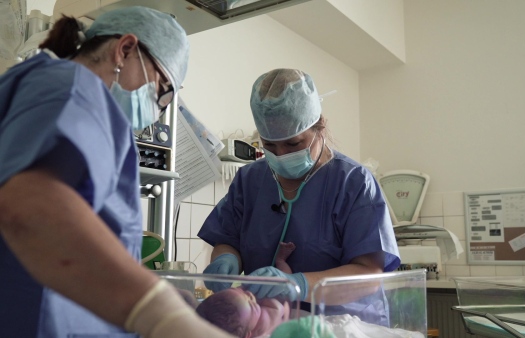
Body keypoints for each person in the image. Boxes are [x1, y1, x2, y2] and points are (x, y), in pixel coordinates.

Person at [0, 6, 231, 338]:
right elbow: (30, 206)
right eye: (162, 92)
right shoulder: (75, 88)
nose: (156, 113)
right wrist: (156, 310)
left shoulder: (37, 83)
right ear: (124, 50)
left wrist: (152, 290)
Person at [198, 68, 400, 326]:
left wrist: (298, 285)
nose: (280, 154)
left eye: (293, 144)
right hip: (268, 325)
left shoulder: (354, 183)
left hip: (342, 327)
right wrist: (225, 258)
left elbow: (369, 274)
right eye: (269, 145)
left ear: (320, 126)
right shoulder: (249, 181)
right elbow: (227, 240)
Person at [196, 287, 291, 337]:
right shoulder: (270, 314)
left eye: (236, 289)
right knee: (285, 276)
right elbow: (282, 305)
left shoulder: (248, 327)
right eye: (251, 304)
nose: (249, 294)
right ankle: (281, 260)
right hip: (288, 312)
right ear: (248, 335)